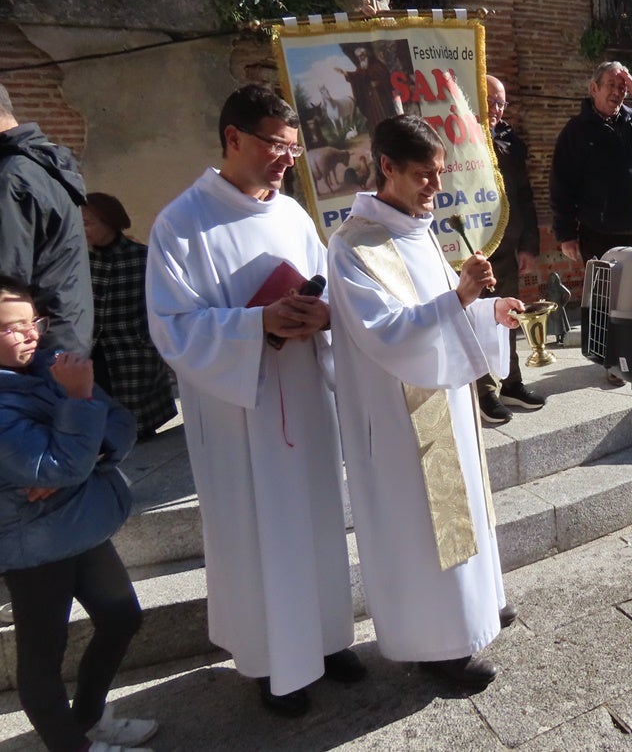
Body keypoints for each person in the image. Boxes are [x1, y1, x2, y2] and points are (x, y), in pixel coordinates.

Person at [146, 86, 362, 717]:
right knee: (260, 535)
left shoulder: (293, 215)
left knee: (318, 522)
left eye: (293, 148)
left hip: (301, 394)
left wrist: (321, 315)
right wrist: (256, 325)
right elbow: (172, 327)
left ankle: (326, 638)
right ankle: (275, 664)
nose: (286, 160)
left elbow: (324, 289)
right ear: (233, 138)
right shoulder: (181, 223)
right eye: (275, 144)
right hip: (239, 412)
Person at [328, 116, 523, 689]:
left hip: (445, 398)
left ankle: (476, 609)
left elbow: (443, 310)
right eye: (423, 175)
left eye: (439, 174)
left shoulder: (418, 229)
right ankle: (436, 646)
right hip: (397, 417)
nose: (434, 187)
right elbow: (385, 332)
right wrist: (460, 296)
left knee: (464, 507)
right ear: (385, 166)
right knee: (421, 525)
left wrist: (489, 311)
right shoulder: (354, 245)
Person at [0, 276, 157, 752]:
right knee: (42, 658)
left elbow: (123, 427)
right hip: (33, 541)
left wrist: (82, 453)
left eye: (34, 322)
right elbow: (55, 464)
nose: (31, 334)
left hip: (79, 521)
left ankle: (87, 718)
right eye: (14, 327)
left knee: (120, 617)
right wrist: (80, 400)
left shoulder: (50, 367)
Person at [550, 61, 632, 263]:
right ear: (594, 89)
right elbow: (562, 186)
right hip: (602, 236)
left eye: (622, 87)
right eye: (610, 85)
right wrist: (566, 234)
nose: (617, 92)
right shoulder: (577, 132)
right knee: (606, 294)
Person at [474, 75, 546, 425]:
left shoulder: (510, 140)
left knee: (510, 316)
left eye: (501, 102)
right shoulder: (459, 140)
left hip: (508, 242)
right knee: (480, 317)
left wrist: (528, 243)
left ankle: (510, 383)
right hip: (473, 247)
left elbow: (524, 194)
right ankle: (485, 391)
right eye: (489, 100)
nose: (496, 109)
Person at [0, 82, 92, 355]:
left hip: (32, 350)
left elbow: (7, 280)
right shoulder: (41, 165)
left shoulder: (12, 178)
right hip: (61, 339)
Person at [82, 193, 176, 441]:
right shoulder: (81, 260)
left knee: (139, 421)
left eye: (89, 222)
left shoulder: (143, 257)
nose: (84, 229)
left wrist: (148, 337)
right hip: (95, 351)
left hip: (134, 351)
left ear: (109, 221)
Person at [337, 46, 396, 134]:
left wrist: (378, 83)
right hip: (370, 99)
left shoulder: (376, 65)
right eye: (359, 57)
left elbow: (386, 78)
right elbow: (357, 77)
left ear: (366, 55)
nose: (361, 58)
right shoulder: (361, 68)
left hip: (381, 97)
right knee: (373, 119)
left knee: (384, 115)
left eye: (362, 56)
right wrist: (346, 73)